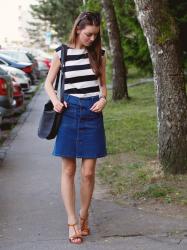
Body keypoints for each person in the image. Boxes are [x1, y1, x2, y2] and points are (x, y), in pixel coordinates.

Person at [44, 11, 107, 244]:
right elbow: (48, 83)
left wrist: (103, 99)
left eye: (95, 35)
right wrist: (55, 100)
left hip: (92, 114)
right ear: (78, 29)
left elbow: (102, 87)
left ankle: (84, 216)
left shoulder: (99, 54)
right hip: (69, 113)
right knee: (69, 170)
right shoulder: (62, 53)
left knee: (88, 172)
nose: (92, 38)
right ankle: (72, 222)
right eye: (88, 34)